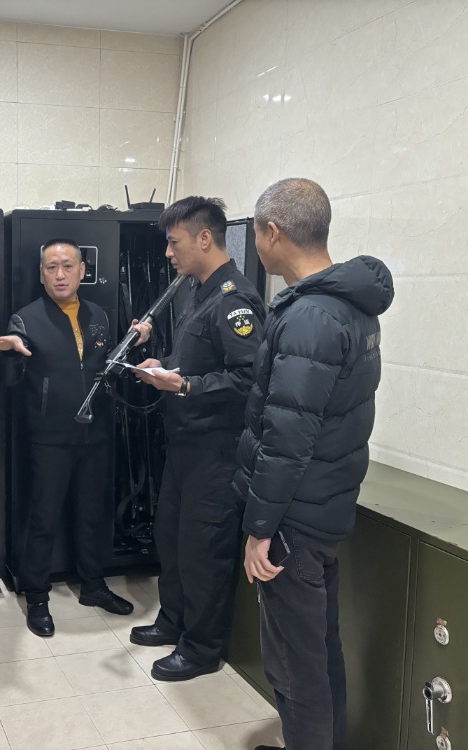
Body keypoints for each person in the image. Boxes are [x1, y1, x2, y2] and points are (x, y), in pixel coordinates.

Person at [235, 178, 394, 750]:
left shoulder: (310, 316)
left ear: (272, 233)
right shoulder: (351, 306)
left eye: (257, 233)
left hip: (294, 519)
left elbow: (287, 439)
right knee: (318, 652)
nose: (256, 245)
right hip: (324, 507)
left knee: (294, 668)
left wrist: (259, 529)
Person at [128, 196, 266, 681]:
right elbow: (198, 359)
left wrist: (185, 386)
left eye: (174, 242)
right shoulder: (197, 292)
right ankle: (173, 620)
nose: (168, 253)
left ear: (205, 238)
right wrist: (163, 365)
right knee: (171, 538)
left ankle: (202, 648)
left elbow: (249, 380)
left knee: (203, 549)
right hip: (184, 444)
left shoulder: (234, 300)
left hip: (217, 450)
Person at [0, 239, 139, 637]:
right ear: (41, 274)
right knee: (43, 518)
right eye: (51, 267)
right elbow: (9, 382)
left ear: (82, 271)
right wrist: (13, 352)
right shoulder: (26, 319)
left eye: (67, 266)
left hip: (96, 433)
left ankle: (93, 586)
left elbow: (108, 366)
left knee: (92, 513)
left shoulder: (99, 315)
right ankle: (37, 596)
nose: (60, 275)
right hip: (49, 436)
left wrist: (135, 342)